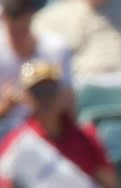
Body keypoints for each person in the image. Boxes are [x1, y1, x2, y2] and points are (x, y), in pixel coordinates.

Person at [0, 59, 120, 188]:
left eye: (50, 90)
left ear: (61, 94)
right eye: (37, 92)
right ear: (26, 97)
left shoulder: (86, 135)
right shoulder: (16, 143)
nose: (45, 99)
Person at [0, 0, 73, 137]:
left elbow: (69, 101)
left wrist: (37, 100)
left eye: (23, 29)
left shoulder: (56, 48)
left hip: (48, 134)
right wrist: (7, 105)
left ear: (31, 17)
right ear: (4, 19)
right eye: (13, 29)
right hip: (6, 136)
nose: (18, 36)